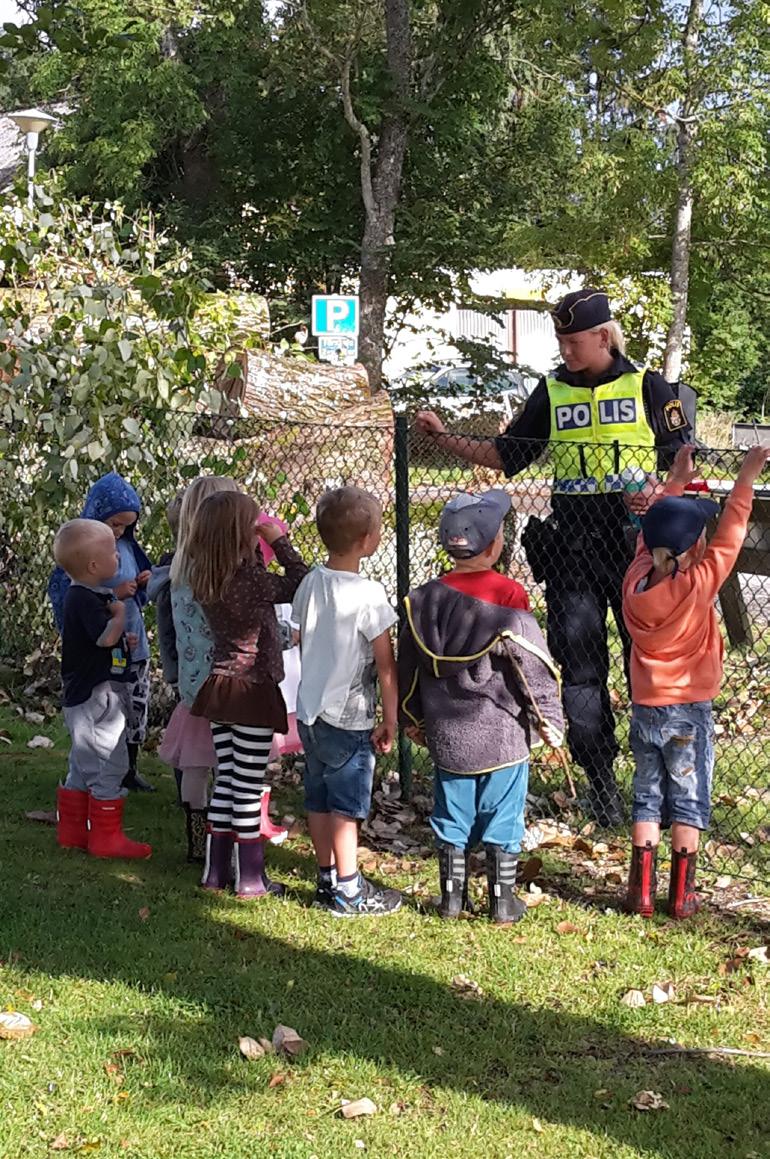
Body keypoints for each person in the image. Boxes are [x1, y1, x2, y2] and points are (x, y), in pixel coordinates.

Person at [415, 288, 692, 826]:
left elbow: (686, 457)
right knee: (582, 670)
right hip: (572, 548)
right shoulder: (552, 391)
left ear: (603, 336)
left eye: (574, 341)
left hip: (636, 546)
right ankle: (601, 784)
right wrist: (445, 438)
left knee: (651, 666)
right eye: (561, 341)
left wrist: (659, 492)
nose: (566, 350)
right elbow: (505, 454)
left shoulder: (650, 386)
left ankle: (655, 785)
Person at [398, 491, 564, 924]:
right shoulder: (510, 596)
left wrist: (410, 716)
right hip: (502, 732)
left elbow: (409, 663)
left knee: (451, 812)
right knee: (503, 813)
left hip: (448, 730)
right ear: (494, 545)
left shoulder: (424, 600)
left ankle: (452, 900)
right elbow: (530, 665)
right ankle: (502, 902)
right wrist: (548, 719)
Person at [622, 444, 770, 919]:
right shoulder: (697, 582)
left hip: (645, 707)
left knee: (647, 796)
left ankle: (640, 893)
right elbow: (732, 534)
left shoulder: (636, 579)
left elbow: (652, 537)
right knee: (687, 800)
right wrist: (746, 477)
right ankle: (682, 896)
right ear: (692, 553)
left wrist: (676, 480)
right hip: (689, 710)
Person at [187, 490, 309, 897]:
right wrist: (278, 541)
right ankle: (251, 878)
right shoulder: (252, 581)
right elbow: (301, 583)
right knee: (248, 784)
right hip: (252, 689)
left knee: (227, 780)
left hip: (221, 687)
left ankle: (215, 872)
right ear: (243, 536)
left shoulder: (206, 574)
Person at [292, 486, 402, 918]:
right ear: (366, 542)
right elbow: (387, 666)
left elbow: (299, 635)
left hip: (310, 711)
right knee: (347, 808)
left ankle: (325, 877)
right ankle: (349, 890)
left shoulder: (311, 581)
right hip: (349, 717)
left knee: (318, 797)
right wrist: (390, 718)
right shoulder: (369, 594)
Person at [48, 473, 156, 793]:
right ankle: (98, 784)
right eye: (114, 523)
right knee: (96, 723)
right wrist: (117, 597)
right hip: (100, 658)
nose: (120, 533)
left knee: (132, 710)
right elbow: (83, 608)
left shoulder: (122, 547)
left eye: (126, 526)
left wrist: (142, 585)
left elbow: (135, 591)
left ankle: (125, 768)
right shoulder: (88, 548)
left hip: (129, 645)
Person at [53, 519, 151, 860]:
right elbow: (104, 636)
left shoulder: (89, 594)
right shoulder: (84, 598)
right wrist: (121, 618)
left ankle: (73, 831)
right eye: (112, 552)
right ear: (94, 566)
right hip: (96, 697)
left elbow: (103, 642)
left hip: (90, 691)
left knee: (82, 764)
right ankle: (106, 838)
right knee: (109, 760)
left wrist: (125, 640)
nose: (117, 557)